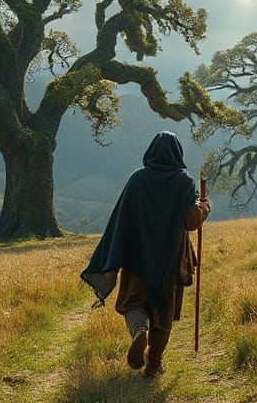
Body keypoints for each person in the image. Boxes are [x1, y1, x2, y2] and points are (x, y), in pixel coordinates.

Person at [81, 131, 211, 377]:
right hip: (170, 259)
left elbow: (123, 216)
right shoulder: (184, 182)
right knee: (163, 310)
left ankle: (139, 331)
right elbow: (192, 221)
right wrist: (204, 206)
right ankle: (153, 363)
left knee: (134, 302)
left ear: (150, 152)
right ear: (178, 154)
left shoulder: (137, 179)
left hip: (137, 255)